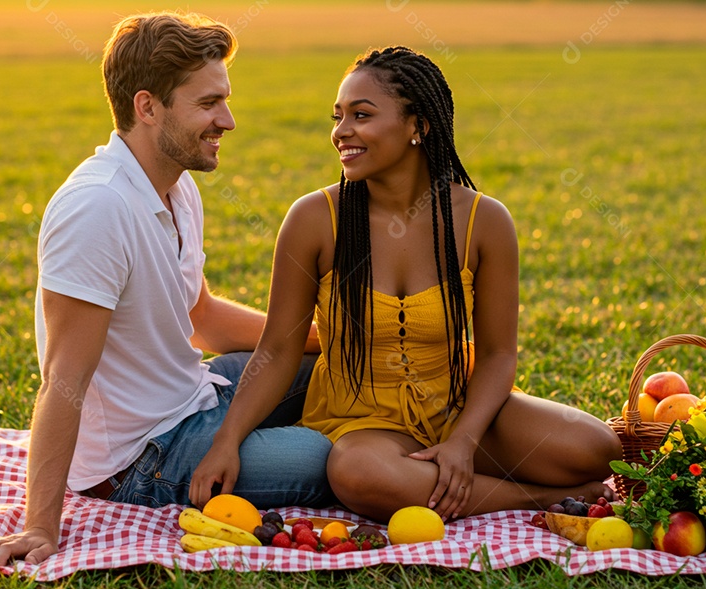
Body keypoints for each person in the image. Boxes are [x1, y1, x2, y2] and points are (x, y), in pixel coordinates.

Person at [191, 46, 621, 523]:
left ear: (418, 125)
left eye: (361, 115)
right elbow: (277, 349)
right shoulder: (314, 219)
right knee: (356, 472)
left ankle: (452, 473)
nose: (341, 132)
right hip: (364, 423)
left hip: (456, 405)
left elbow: (499, 354)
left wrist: (462, 441)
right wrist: (226, 441)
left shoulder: (484, 221)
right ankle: (539, 499)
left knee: (597, 447)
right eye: (338, 117)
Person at [0, 12, 333, 567]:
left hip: (194, 393)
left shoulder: (177, 185)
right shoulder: (98, 208)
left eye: (225, 101)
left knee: (352, 369)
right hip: (141, 458)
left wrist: (324, 338)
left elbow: (203, 316)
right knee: (325, 458)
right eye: (209, 103)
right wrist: (40, 526)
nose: (228, 120)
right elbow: (63, 380)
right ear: (147, 107)